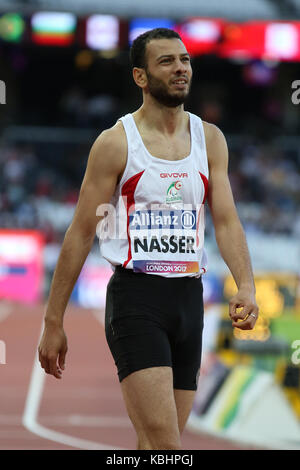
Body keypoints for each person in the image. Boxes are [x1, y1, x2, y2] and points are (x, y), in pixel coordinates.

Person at [38, 28, 259, 450]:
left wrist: (245, 284)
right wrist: (53, 320)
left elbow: (227, 221)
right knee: (165, 445)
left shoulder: (210, 140)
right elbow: (82, 231)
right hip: (137, 301)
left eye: (185, 60)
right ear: (140, 77)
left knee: (156, 444)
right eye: (167, 61)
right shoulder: (116, 144)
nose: (180, 69)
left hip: (188, 301)